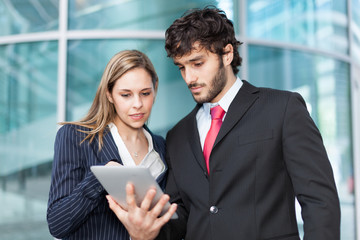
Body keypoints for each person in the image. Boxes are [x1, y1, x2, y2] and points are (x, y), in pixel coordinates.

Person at [47, 49, 176, 240]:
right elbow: (57, 224)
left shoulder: (162, 147)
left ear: (155, 90)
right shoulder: (75, 138)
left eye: (145, 93)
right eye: (126, 95)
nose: (137, 104)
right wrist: (99, 177)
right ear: (109, 94)